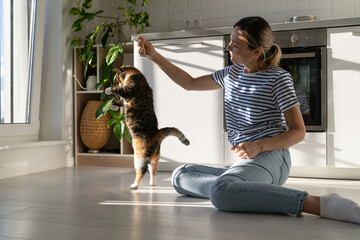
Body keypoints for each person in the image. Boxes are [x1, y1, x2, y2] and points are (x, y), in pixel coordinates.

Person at [136, 16, 360, 224]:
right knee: (180, 175)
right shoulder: (230, 74)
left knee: (220, 193)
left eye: (235, 44)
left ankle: (322, 204)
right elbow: (190, 83)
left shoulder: (277, 78)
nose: (228, 47)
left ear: (256, 52)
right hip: (245, 160)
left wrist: (258, 145)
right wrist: (154, 56)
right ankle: (239, 185)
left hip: (272, 157)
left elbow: (298, 131)